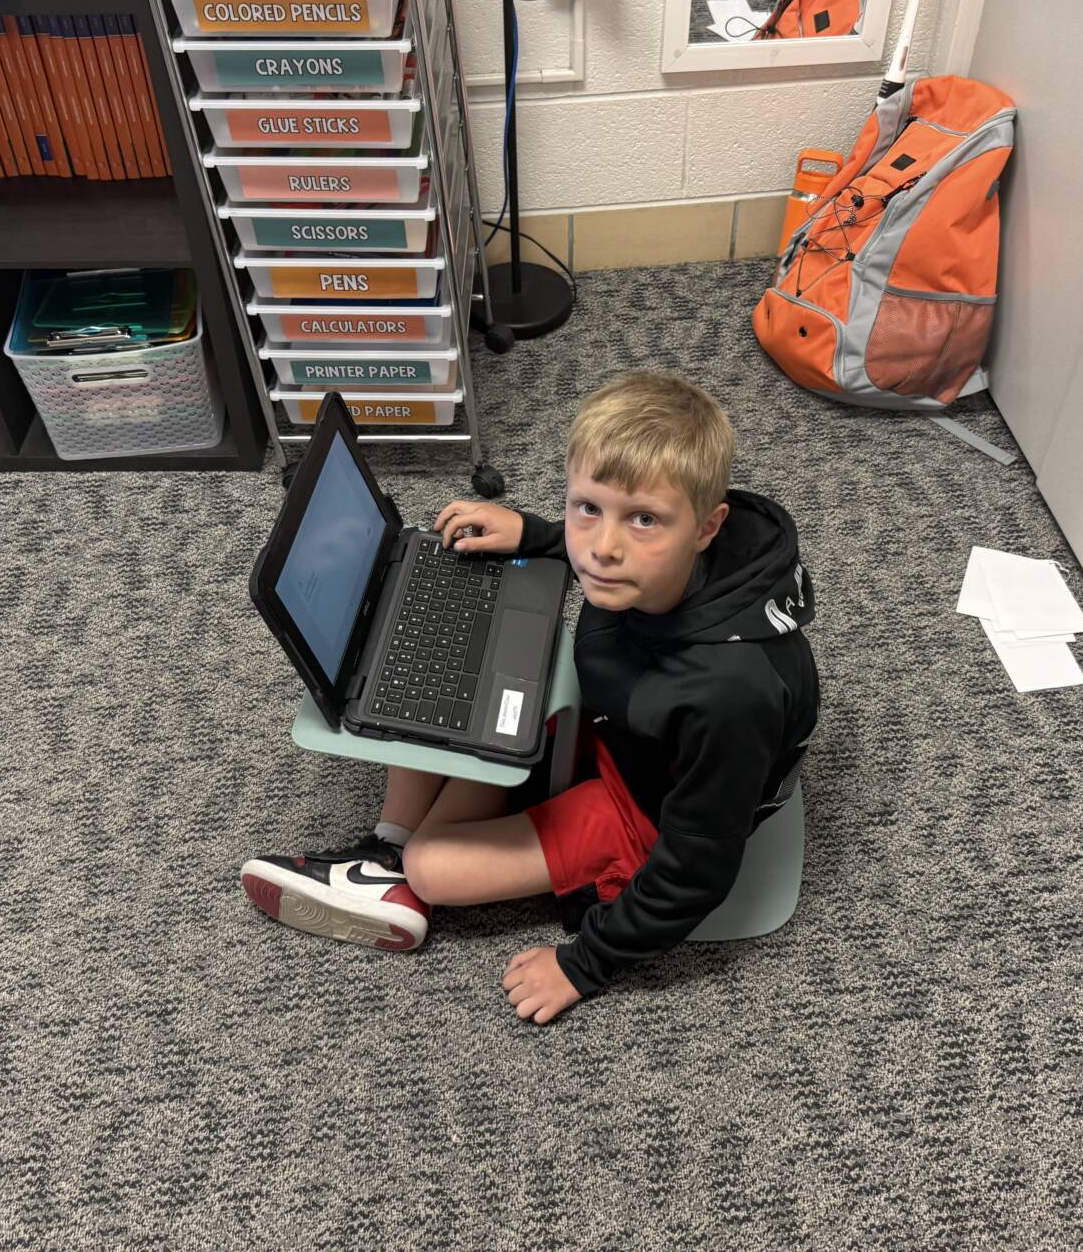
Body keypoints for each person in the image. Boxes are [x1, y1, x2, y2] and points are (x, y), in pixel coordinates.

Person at [240, 373, 819, 1024]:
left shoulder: (727, 698)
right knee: (433, 679)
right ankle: (386, 844)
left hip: (644, 811)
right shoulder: (647, 567)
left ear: (709, 527)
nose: (603, 546)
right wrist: (538, 536)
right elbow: (612, 551)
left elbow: (696, 872)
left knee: (434, 868)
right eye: (586, 508)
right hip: (621, 729)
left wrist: (584, 965)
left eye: (644, 520)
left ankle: (401, 870)